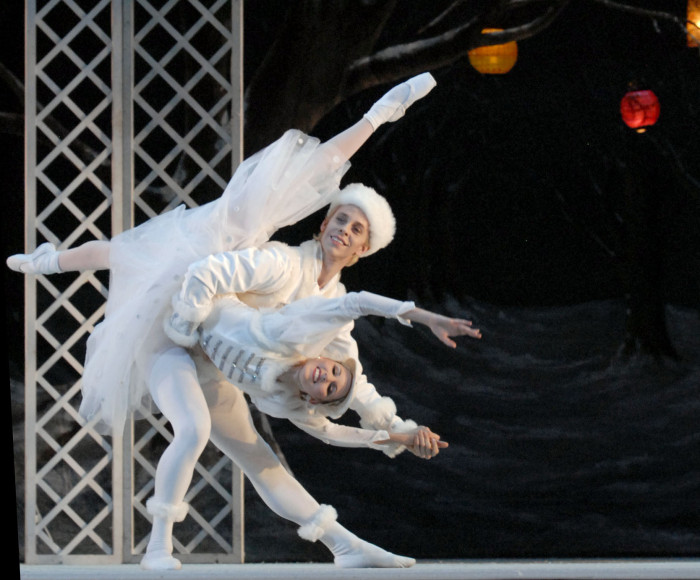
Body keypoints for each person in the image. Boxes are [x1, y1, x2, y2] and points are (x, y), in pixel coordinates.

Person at [7, 73, 476, 569]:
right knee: (191, 423)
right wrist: (378, 115)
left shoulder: (330, 305)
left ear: (363, 249)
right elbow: (318, 169)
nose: (343, 229)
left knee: (259, 458)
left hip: (215, 363)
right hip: (168, 339)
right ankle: (158, 546)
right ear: (323, 224)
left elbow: (351, 381)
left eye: (355, 229)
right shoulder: (280, 262)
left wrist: (397, 427)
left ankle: (344, 546)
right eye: (339, 219)